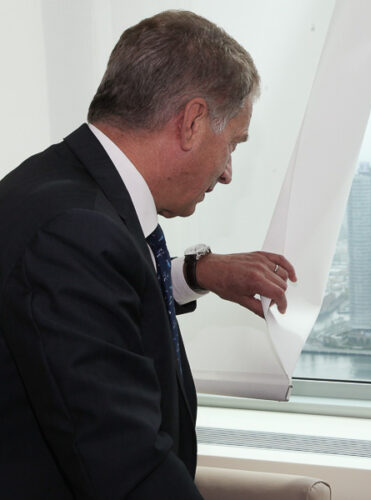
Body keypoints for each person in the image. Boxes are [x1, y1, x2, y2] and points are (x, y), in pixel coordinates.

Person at [0, 10, 295, 499]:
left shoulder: (61, 187)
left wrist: (195, 274)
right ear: (193, 122)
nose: (226, 173)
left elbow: (101, 301)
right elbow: (124, 463)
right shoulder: (74, 233)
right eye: (232, 145)